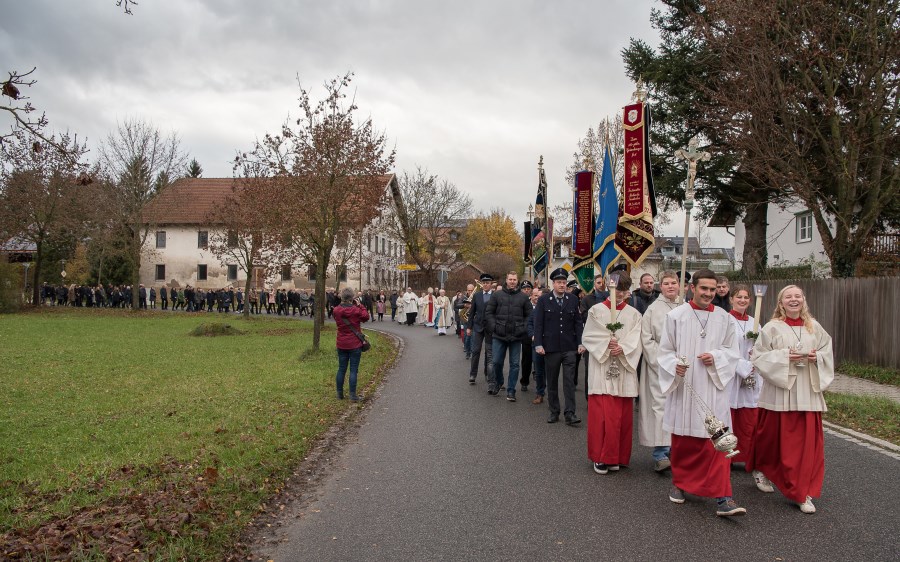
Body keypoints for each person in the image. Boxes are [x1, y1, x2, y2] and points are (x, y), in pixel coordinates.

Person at [658, 268, 744, 517]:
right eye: (703, 288)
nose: (708, 293)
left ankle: (724, 497)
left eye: (712, 289)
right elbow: (664, 350)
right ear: (692, 288)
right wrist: (674, 365)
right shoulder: (676, 316)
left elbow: (732, 351)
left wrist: (716, 357)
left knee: (718, 441)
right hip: (686, 386)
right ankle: (680, 484)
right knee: (685, 442)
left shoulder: (725, 318)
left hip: (713, 385)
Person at [749, 285, 834, 514]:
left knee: (805, 444)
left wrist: (818, 357)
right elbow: (758, 356)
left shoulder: (813, 326)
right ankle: (763, 468)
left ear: (803, 300)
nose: (793, 300)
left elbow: (827, 349)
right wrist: (784, 356)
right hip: (781, 389)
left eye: (798, 296)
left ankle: (801, 490)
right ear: (781, 302)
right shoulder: (772, 327)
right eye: (789, 297)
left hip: (806, 389)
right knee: (772, 438)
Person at [582, 274, 642, 474]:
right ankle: (600, 456)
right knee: (603, 415)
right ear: (610, 289)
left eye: (625, 292)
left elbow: (637, 338)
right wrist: (606, 344)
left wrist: (623, 348)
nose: (621, 295)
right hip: (602, 367)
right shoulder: (596, 311)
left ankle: (616, 456)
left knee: (622, 417)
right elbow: (589, 335)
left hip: (623, 367)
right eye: (618, 291)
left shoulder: (634, 314)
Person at [638, 270, 680, 472]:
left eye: (674, 283)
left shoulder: (686, 308)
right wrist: (664, 361)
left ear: (679, 285)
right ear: (660, 287)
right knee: (661, 407)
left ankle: (678, 451)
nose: (671, 286)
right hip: (660, 367)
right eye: (667, 283)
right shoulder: (653, 310)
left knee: (680, 408)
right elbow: (646, 338)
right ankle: (661, 453)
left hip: (682, 367)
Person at [533, 268, 585, 425]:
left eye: (564, 282)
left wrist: (580, 342)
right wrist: (538, 344)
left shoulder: (573, 299)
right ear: (553, 283)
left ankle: (570, 413)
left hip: (569, 347)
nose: (562, 285)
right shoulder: (543, 300)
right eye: (559, 282)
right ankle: (554, 411)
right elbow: (539, 323)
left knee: (569, 381)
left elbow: (578, 323)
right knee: (552, 380)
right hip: (551, 347)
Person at [725, 285, 762, 479]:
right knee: (731, 414)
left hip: (751, 373)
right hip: (732, 374)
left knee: (749, 416)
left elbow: (762, 346)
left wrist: (756, 356)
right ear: (731, 299)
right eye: (738, 297)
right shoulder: (725, 320)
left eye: (746, 297)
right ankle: (728, 455)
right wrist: (741, 365)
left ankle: (747, 455)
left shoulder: (754, 322)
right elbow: (724, 348)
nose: (742, 300)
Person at [486, 271, 531, 400]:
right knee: (496, 362)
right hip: (499, 335)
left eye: (514, 279)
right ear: (506, 280)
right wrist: (494, 327)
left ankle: (511, 390)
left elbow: (529, 315)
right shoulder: (497, 295)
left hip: (517, 336)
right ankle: (499, 381)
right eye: (510, 279)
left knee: (515, 364)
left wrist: (522, 328)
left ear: (517, 281)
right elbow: (489, 313)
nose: (512, 281)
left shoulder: (523, 297)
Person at [332, 287, 370, 402]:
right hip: (354, 343)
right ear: (352, 298)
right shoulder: (356, 310)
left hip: (341, 343)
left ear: (342, 297)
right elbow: (366, 317)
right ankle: (352, 395)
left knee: (341, 368)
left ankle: (339, 394)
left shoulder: (336, 310)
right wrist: (360, 305)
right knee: (353, 370)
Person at [466, 274, 494, 385]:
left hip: (490, 328)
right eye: (484, 283)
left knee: (489, 352)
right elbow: (471, 312)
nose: (486, 285)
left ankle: (488, 373)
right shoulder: (477, 295)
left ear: (491, 284)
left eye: (488, 283)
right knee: (475, 351)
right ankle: (473, 374)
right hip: (477, 327)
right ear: (481, 284)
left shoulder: (495, 296)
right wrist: (469, 327)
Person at [526, 288, 546, 404]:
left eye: (540, 296)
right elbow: (529, 324)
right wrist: (532, 334)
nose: (538, 298)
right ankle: (540, 393)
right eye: (536, 296)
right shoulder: (535, 310)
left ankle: (548, 390)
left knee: (548, 370)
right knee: (538, 370)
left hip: (550, 344)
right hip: (537, 343)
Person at [518, 279, 534, 391]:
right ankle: (524, 380)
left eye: (528, 289)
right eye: (524, 289)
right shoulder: (518, 302)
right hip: (526, 334)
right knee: (526, 359)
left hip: (539, 334)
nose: (526, 290)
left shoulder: (537, 301)